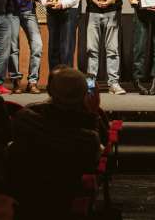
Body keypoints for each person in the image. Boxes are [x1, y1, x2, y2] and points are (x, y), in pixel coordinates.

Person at [8, 67, 101, 219]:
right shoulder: (87, 140)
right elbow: (92, 165)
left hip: (23, 203)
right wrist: (94, 113)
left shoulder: (24, 119)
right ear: (85, 95)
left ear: (50, 92)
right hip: (61, 204)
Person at [4, 0, 43, 94]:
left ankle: (32, 82)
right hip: (11, 12)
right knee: (13, 48)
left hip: (28, 11)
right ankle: (15, 81)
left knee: (37, 46)